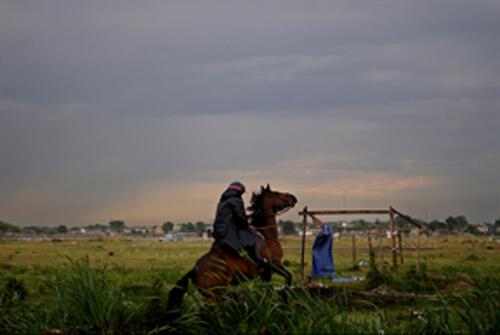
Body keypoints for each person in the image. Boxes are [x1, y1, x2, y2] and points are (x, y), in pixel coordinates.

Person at [212, 181, 266, 268]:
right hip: (229, 232)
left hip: (219, 232)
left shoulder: (223, 201)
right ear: (240, 191)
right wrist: (248, 226)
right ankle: (258, 262)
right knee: (254, 239)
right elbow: (240, 217)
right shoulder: (236, 200)